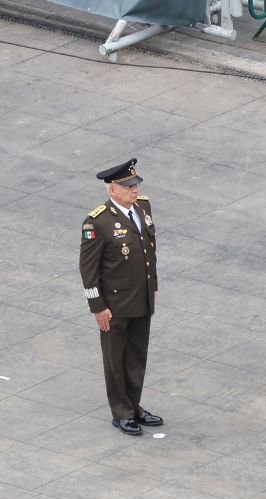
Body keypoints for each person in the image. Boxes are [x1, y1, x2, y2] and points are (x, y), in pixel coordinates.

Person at [79, 159, 163, 436]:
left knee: (137, 356)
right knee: (116, 359)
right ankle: (122, 412)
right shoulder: (98, 222)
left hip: (142, 299)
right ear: (112, 189)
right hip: (114, 306)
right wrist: (97, 306)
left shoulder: (143, 207)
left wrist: (153, 289)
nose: (134, 189)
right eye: (128, 186)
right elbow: (88, 269)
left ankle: (135, 406)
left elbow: (148, 252)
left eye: (136, 185)